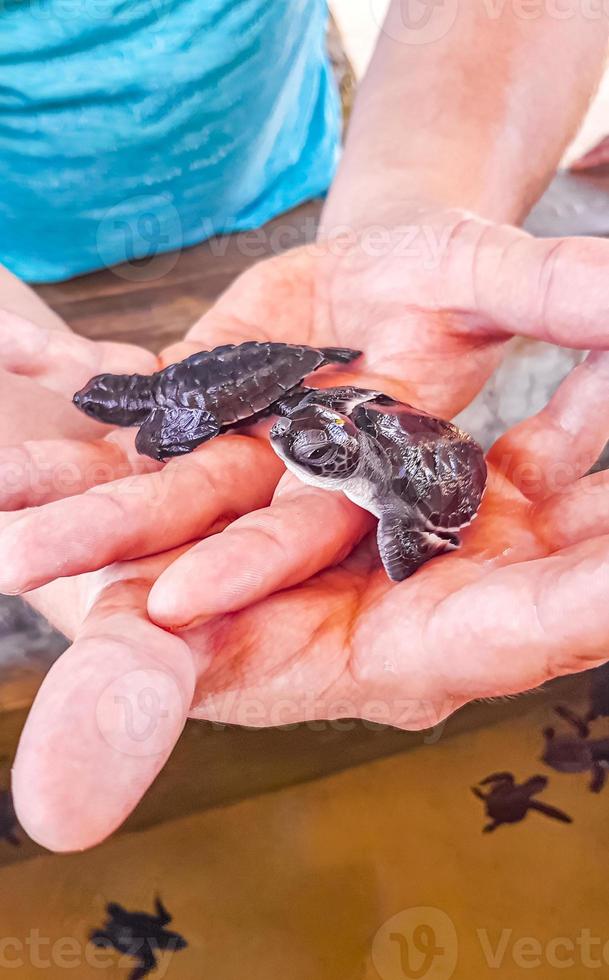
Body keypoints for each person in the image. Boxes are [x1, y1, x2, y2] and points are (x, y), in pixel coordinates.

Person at [1, 2, 609, 851]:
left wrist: (413, 207)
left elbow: (368, 446)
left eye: (307, 441)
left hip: (306, 185)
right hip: (27, 270)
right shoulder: (225, 417)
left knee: (353, 455)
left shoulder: (347, 436)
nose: (291, 443)